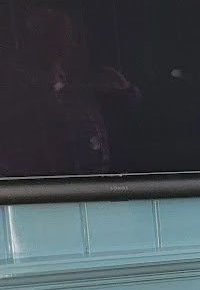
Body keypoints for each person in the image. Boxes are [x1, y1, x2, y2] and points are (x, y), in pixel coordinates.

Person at [0, 9, 141, 177]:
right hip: (45, 193)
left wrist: (126, 89)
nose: (65, 50)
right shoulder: (14, 86)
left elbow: (130, 107)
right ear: (36, 44)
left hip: (100, 186)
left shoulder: (84, 82)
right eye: (55, 44)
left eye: (65, 43)